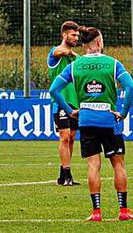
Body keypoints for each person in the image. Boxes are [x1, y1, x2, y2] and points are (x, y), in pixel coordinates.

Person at [50, 26, 133, 222]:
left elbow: (54, 90)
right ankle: (123, 211)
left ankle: (96, 212)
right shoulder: (113, 64)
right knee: (118, 164)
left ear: (84, 44)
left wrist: (69, 110)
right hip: (109, 120)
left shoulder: (75, 66)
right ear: (98, 42)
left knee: (93, 165)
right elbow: (131, 87)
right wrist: (122, 113)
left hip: (87, 120)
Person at [48, 20, 81, 186]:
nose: (76, 38)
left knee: (72, 138)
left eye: (77, 35)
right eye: (73, 35)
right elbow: (59, 51)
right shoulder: (55, 52)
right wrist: (74, 55)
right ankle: (67, 175)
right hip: (61, 101)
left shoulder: (75, 58)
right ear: (64, 35)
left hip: (75, 102)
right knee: (65, 136)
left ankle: (63, 175)